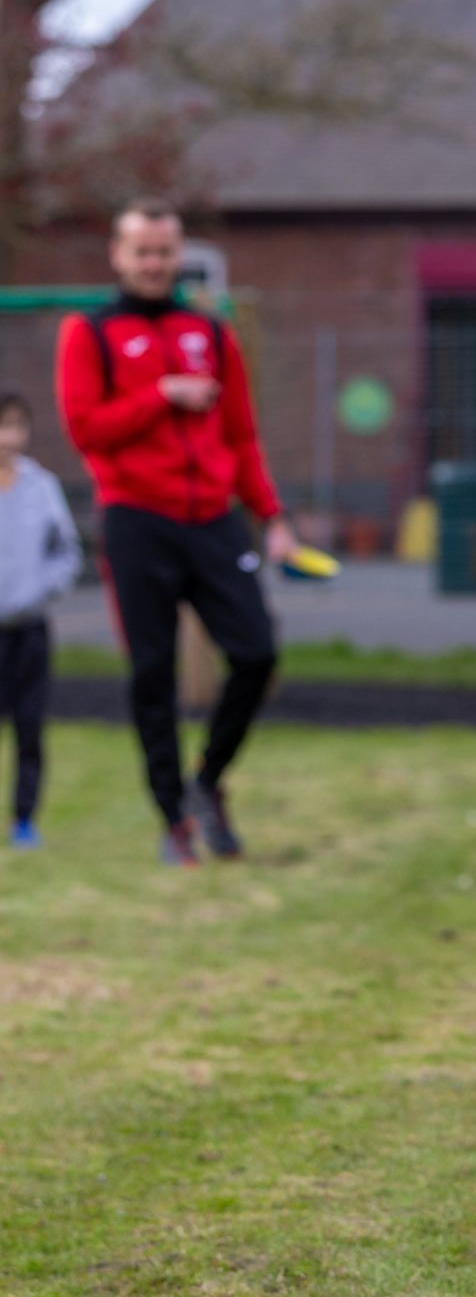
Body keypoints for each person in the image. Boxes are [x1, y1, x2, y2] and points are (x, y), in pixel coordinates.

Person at [55, 198, 296, 867]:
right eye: (143, 252)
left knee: (257, 653)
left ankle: (208, 780)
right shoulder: (90, 333)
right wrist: (161, 394)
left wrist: (271, 516)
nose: (155, 263)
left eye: (164, 252)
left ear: (178, 254)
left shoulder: (211, 333)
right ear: (119, 255)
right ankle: (173, 819)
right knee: (152, 673)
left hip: (214, 519)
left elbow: (242, 434)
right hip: (137, 520)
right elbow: (87, 430)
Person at [0, 392, 83, 849]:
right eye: (2, 425)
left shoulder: (42, 486)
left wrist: (41, 590)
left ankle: (24, 820)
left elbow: (67, 553)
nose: (9, 437)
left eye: (17, 425)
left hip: (29, 629)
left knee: (29, 729)